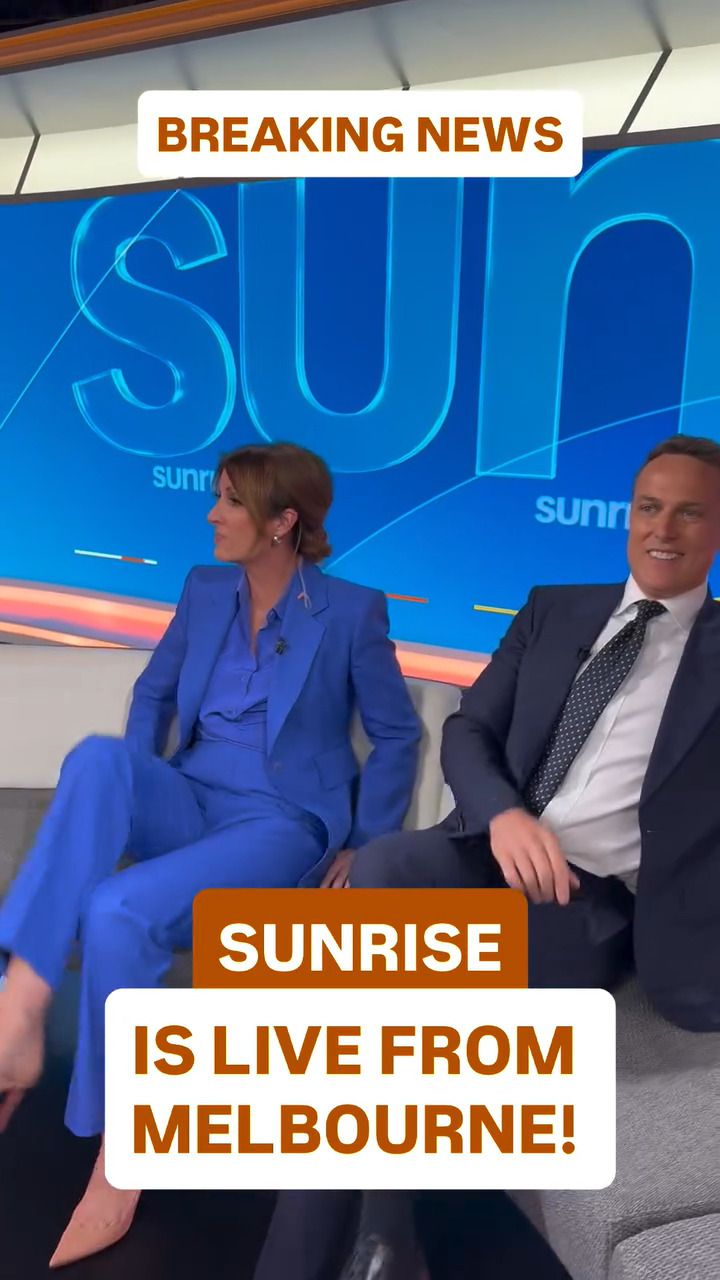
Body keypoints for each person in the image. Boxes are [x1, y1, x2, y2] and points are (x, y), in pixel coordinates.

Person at [258, 432, 720, 1279]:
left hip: (582, 903)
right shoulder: (554, 608)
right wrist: (505, 816)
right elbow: (469, 730)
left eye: (690, 513)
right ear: (628, 517)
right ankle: (385, 1236)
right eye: (649, 508)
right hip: (481, 853)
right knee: (386, 867)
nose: (663, 529)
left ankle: (367, 1241)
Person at [0, 441, 421, 1269]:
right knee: (98, 761)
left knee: (118, 909)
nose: (212, 514)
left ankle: (126, 1152)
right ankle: (22, 1008)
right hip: (192, 795)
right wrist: (134, 787)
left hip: (279, 821)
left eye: (230, 501)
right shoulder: (203, 589)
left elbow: (397, 735)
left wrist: (365, 843)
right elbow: (155, 691)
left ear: (282, 521)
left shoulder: (351, 611)